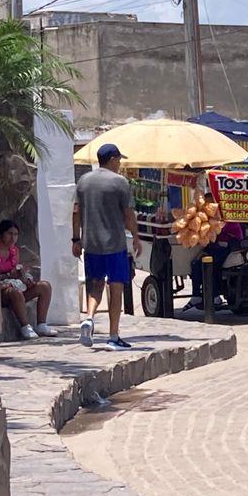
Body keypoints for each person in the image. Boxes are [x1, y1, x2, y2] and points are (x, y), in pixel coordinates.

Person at [72, 144, 140, 351]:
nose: (119, 163)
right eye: (118, 159)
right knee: (116, 287)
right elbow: (128, 214)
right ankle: (113, 336)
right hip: (114, 244)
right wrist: (136, 237)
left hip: (91, 244)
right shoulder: (119, 182)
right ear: (111, 159)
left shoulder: (83, 181)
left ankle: (89, 318)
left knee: (95, 285)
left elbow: (76, 212)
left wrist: (76, 239)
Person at [0, 219, 55, 339]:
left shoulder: (14, 250)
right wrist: (8, 276)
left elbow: (15, 272)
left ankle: (41, 324)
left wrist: (25, 279)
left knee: (44, 286)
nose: (13, 238)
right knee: (15, 292)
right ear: (1, 234)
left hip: (12, 286)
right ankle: (25, 326)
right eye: (10, 233)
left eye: (16, 234)